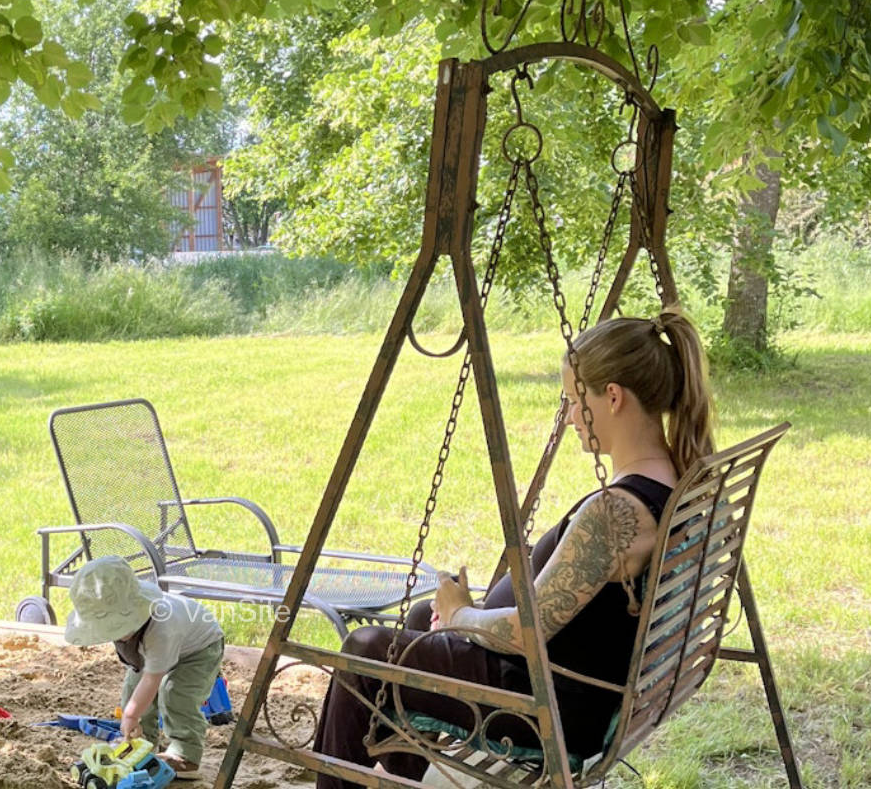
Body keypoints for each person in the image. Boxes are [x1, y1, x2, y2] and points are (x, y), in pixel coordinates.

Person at [312, 310, 714, 788]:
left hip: (546, 710)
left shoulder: (617, 515)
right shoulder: (677, 481)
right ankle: (404, 776)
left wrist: (463, 615)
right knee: (421, 620)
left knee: (363, 654)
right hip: (563, 683)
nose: (568, 417)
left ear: (612, 397)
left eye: (572, 400)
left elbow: (526, 635)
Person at [64, 556, 226, 780]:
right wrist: (132, 713)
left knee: (176, 695)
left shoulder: (162, 628)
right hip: (150, 649)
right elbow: (140, 682)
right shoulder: (134, 628)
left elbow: (152, 680)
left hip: (199, 649)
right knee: (132, 691)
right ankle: (142, 743)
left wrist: (130, 715)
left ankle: (186, 754)